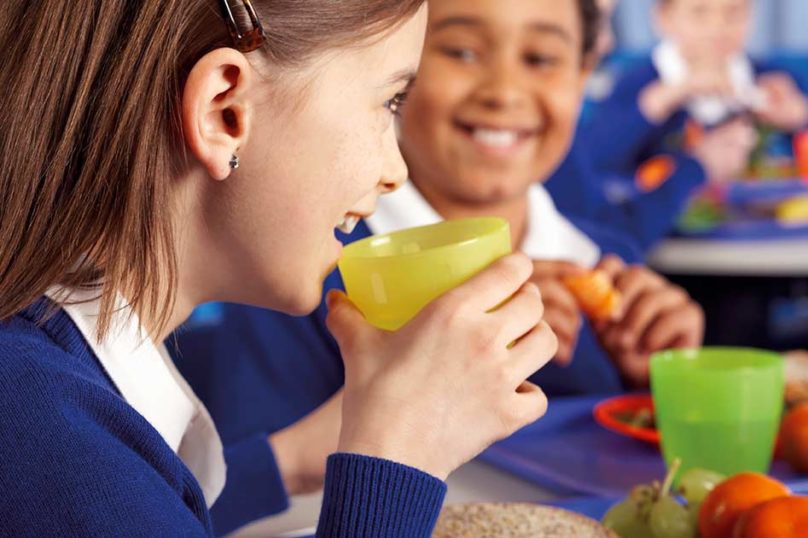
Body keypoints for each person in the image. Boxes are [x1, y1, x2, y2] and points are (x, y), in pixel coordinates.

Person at [0, 1, 559, 536]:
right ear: (225, 111)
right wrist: (397, 455)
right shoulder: (54, 446)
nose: (396, 171)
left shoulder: (44, 393)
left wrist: (291, 459)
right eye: (389, 102)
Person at [172, 0, 704, 528]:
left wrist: (657, 384)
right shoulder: (295, 272)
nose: (503, 91)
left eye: (541, 58)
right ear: (395, 65)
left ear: (584, 72)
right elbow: (204, 507)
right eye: (461, 51)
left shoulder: (608, 262)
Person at [571, 0, 808, 247]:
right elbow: (591, 160)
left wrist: (802, 114)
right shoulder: (639, 84)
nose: (718, 26)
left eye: (734, 11)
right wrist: (663, 99)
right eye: (699, 12)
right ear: (663, 18)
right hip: (669, 248)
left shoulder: (774, 81)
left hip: (761, 244)